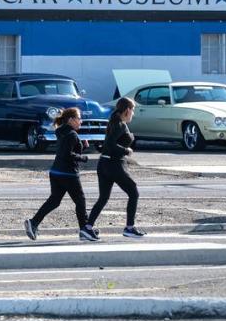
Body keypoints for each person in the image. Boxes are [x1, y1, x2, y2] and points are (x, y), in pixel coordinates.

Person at [24, 107, 98, 242]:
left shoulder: (61, 132)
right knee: (80, 201)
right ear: (71, 120)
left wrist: (82, 147)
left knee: (55, 201)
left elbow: (66, 149)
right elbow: (68, 154)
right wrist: (84, 158)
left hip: (56, 172)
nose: (81, 121)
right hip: (68, 173)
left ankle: (33, 222)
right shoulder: (72, 134)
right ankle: (85, 230)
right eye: (79, 118)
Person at [86, 97, 145, 239]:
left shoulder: (114, 122)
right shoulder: (119, 124)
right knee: (133, 192)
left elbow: (107, 144)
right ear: (127, 110)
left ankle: (87, 228)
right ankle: (129, 228)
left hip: (104, 164)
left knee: (103, 198)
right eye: (133, 110)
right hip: (114, 165)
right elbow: (109, 145)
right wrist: (126, 151)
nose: (133, 114)